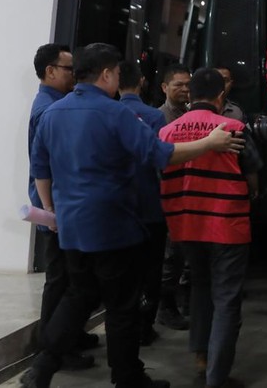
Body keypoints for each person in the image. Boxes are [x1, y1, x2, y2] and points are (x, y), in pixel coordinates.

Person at [23, 43, 245, 388]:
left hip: (72, 227)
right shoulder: (116, 114)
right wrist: (209, 144)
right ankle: (127, 378)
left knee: (78, 295)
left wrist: (51, 211)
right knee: (121, 306)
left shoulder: (52, 113)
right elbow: (159, 154)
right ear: (107, 74)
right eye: (115, 73)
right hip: (113, 225)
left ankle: (43, 366)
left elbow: (40, 169)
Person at [159, 68, 261, 388]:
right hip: (227, 225)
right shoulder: (233, 128)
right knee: (227, 298)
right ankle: (217, 377)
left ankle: (201, 357)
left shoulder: (167, 131)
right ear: (221, 96)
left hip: (185, 226)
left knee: (200, 288)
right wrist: (251, 192)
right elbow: (252, 174)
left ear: (190, 95)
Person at [28, 43, 97, 370]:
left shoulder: (54, 104)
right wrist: (52, 209)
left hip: (60, 204)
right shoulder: (49, 110)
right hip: (56, 206)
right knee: (59, 278)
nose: (74, 74)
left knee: (69, 276)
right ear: (50, 71)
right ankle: (52, 347)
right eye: (69, 69)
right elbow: (47, 164)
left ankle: (68, 335)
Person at [117, 61, 168, 346]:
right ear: (142, 82)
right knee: (151, 269)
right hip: (149, 205)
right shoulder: (153, 116)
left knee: (124, 271)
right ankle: (144, 327)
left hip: (118, 208)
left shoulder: (108, 113)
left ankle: (123, 326)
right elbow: (162, 161)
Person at [157, 62, 193, 330]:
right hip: (167, 195)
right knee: (170, 256)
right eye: (178, 84)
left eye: (188, 84)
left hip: (189, 194)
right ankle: (165, 307)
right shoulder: (159, 118)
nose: (184, 89)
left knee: (184, 255)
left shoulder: (192, 114)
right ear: (164, 87)